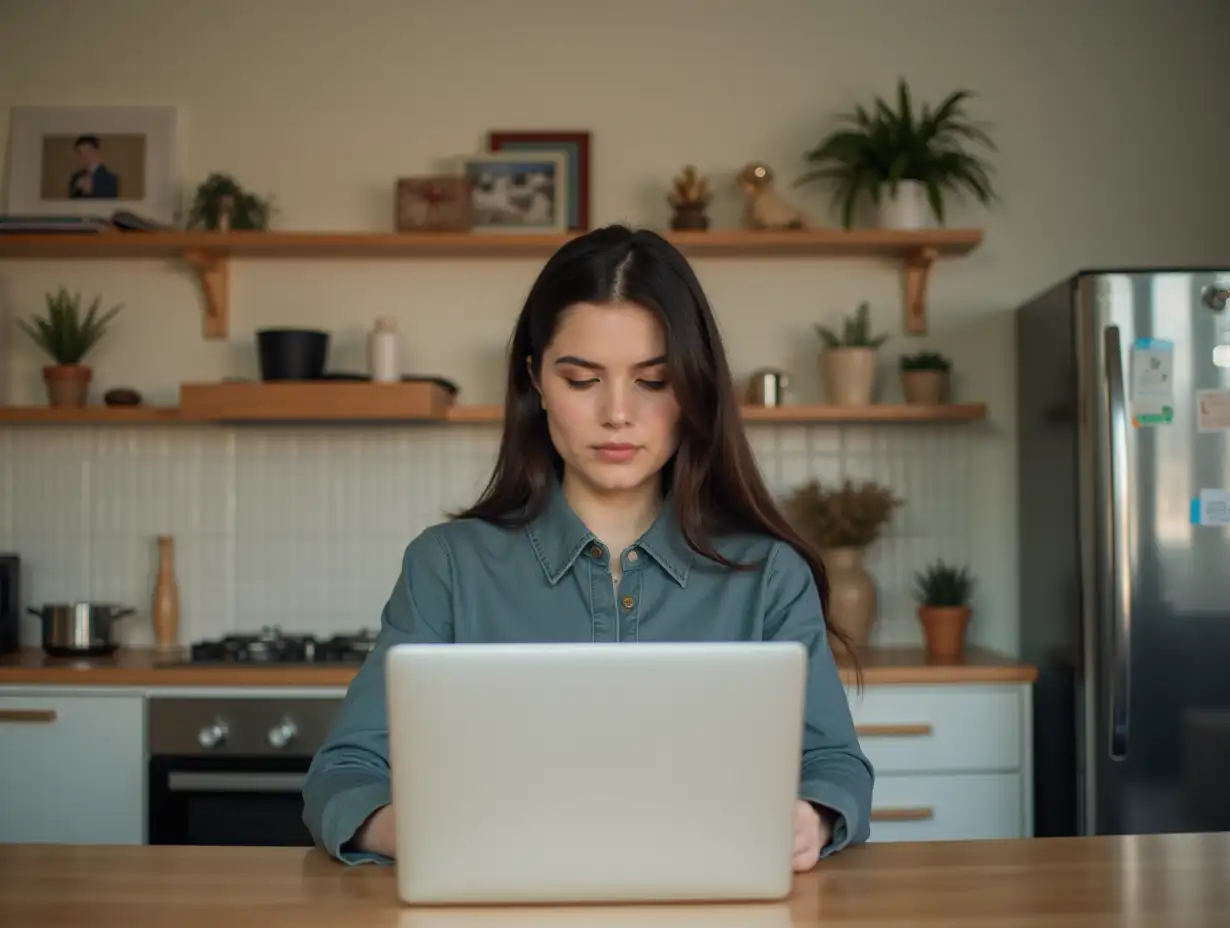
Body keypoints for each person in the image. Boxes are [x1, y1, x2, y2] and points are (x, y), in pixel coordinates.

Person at [302, 224, 874, 871]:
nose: (617, 414)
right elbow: (343, 774)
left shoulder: (769, 575)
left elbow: (835, 766)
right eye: (582, 380)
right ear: (536, 380)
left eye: (653, 381)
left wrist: (813, 818)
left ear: (694, 387)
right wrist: (415, 830)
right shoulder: (449, 566)